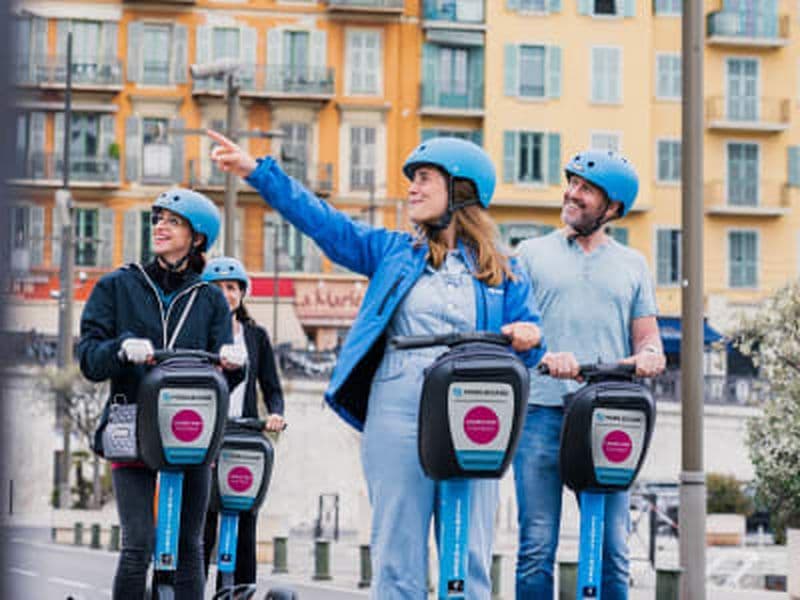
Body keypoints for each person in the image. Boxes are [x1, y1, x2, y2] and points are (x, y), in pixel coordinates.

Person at [208, 130, 546, 599]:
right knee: (397, 547)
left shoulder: (504, 270)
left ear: (461, 190)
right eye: (412, 179)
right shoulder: (392, 251)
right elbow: (324, 223)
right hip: (399, 404)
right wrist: (257, 173)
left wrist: (529, 337)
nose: (413, 188)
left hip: (474, 410)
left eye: (425, 178)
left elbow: (531, 337)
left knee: (467, 551)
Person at [77, 188, 246, 600]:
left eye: (173, 221)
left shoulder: (209, 299)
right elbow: (88, 358)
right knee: (137, 546)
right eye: (157, 219)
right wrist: (121, 349)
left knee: (190, 548)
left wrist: (233, 366)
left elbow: (222, 384)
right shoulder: (119, 285)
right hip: (132, 425)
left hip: (191, 430)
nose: (160, 227)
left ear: (198, 236)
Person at [512, 150, 666, 600]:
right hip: (541, 410)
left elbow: (646, 337)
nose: (572, 194)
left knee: (612, 549)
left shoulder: (633, 265)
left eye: (586, 189)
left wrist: (651, 355)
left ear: (612, 208)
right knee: (536, 545)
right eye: (572, 184)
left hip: (608, 415)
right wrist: (544, 353)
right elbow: (518, 329)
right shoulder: (530, 254)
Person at [200, 256, 285, 589]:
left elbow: (272, 386)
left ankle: (239, 592)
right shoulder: (200, 334)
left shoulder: (255, 336)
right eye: (217, 288)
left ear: (242, 293)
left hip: (244, 434)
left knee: (245, 516)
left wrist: (276, 413)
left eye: (232, 287)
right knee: (205, 520)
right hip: (208, 435)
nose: (225, 294)